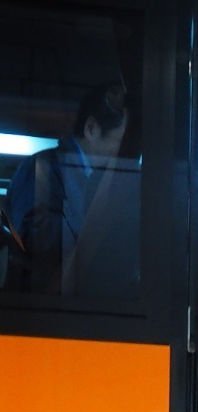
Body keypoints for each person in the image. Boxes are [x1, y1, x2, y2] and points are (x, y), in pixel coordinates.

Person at [6, 82, 129, 295]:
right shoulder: (42, 170)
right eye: (118, 141)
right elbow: (41, 247)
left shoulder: (90, 179)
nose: (120, 153)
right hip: (39, 308)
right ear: (91, 129)